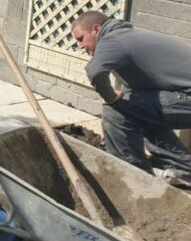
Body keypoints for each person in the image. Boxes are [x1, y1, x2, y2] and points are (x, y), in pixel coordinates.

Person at [71, 11, 191, 186]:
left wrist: (110, 98)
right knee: (137, 110)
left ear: (96, 29)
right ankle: (186, 172)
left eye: (81, 38)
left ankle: (131, 177)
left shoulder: (112, 39)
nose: (80, 46)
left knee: (116, 111)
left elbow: (94, 71)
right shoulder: (128, 37)